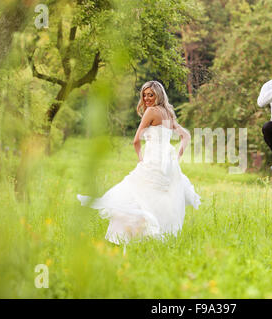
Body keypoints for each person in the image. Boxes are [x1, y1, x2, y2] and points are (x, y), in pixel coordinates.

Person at [77, 81, 201, 244]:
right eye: (144, 94)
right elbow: (186, 136)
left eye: (151, 94)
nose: (147, 98)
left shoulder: (151, 111)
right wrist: (177, 157)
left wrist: (141, 159)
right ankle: (153, 235)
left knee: (132, 194)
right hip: (168, 164)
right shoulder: (168, 113)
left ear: (159, 95)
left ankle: (127, 237)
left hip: (152, 162)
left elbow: (136, 140)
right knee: (155, 199)